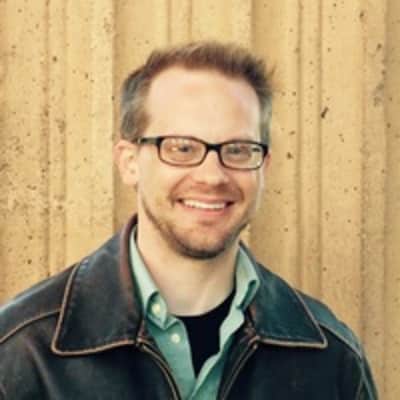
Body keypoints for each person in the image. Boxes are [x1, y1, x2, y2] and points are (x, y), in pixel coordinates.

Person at [0, 41, 377, 399]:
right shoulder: (22, 352)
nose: (212, 176)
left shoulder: (331, 359)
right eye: (182, 148)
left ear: (263, 166)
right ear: (129, 163)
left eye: (237, 149)